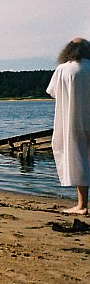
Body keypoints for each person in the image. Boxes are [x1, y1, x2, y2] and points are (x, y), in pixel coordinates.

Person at [47, 38, 90, 215]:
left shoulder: (63, 69)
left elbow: (53, 92)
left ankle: (82, 205)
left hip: (73, 120)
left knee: (79, 161)